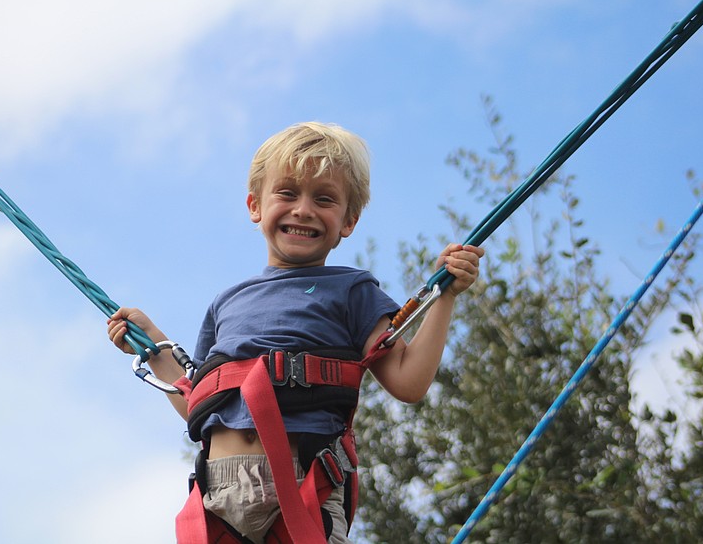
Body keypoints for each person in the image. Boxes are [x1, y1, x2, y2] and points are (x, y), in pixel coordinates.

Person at [107, 122, 484, 543]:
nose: (303, 209)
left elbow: (408, 381)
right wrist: (153, 343)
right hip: (217, 492)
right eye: (287, 193)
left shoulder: (352, 290)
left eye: (324, 199)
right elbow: (203, 402)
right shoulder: (227, 302)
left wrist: (444, 296)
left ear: (348, 221)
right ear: (255, 205)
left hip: (304, 485)